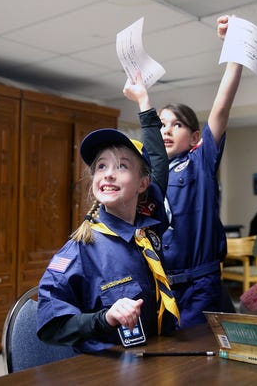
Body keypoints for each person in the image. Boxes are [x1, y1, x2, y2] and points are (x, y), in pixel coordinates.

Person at [123, 15, 243, 327]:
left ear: (194, 138)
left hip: (200, 282)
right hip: (162, 284)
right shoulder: (149, 174)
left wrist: (235, 56)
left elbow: (220, 110)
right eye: (161, 123)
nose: (166, 130)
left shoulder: (199, 161)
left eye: (177, 124)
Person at [37, 128, 179, 353]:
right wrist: (105, 318)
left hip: (157, 356)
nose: (108, 174)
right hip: (107, 368)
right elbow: (51, 327)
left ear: (143, 184)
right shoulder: (80, 250)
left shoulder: (148, 235)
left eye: (122, 166)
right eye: (101, 166)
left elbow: (160, 169)